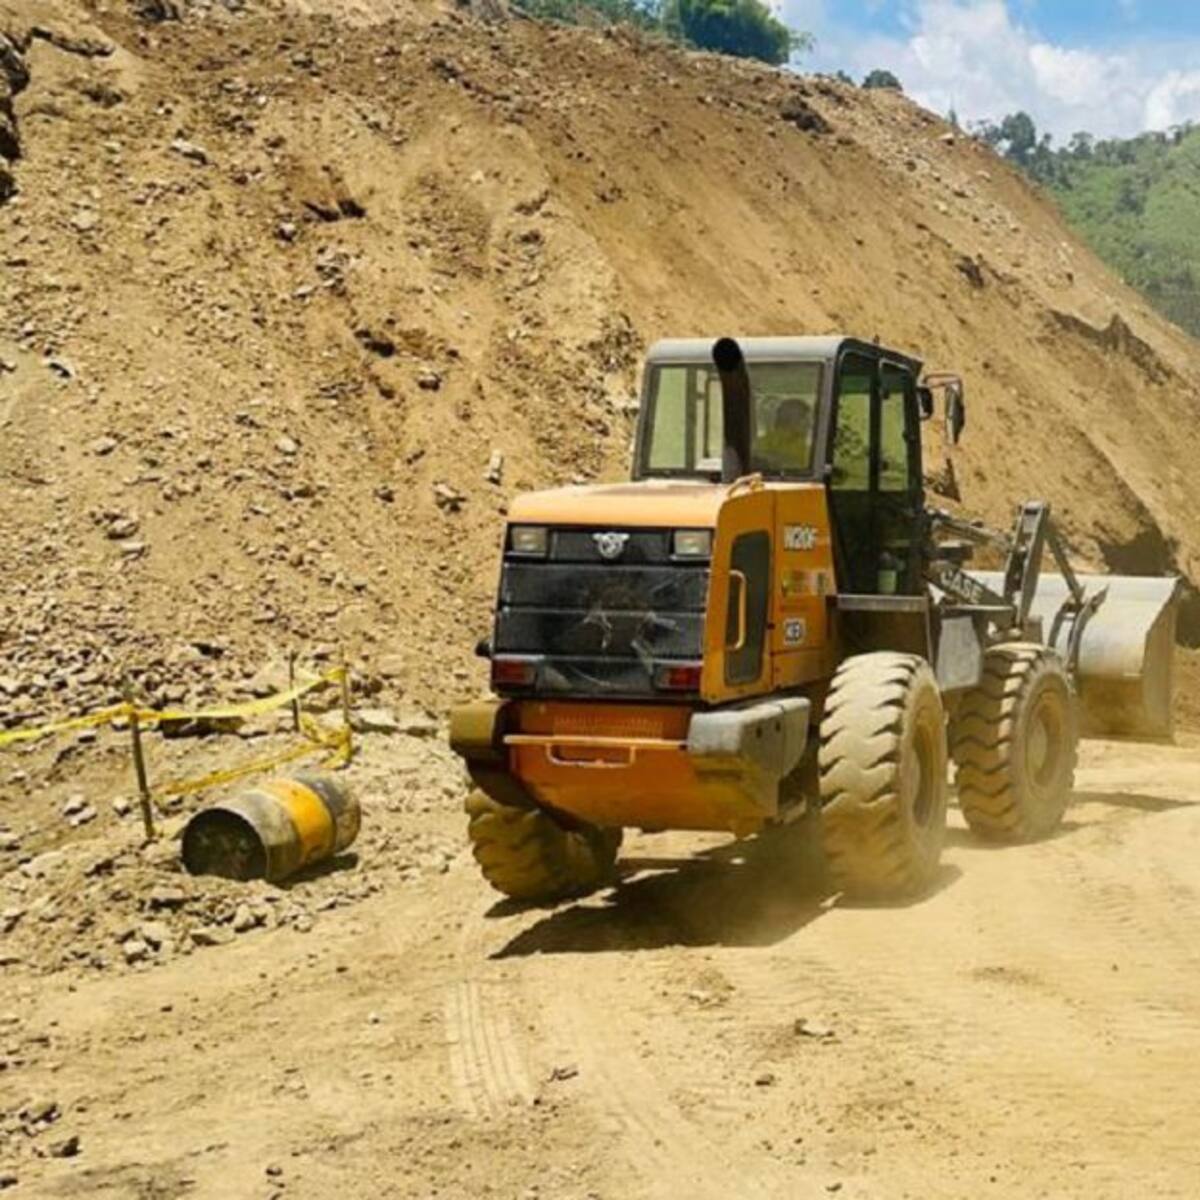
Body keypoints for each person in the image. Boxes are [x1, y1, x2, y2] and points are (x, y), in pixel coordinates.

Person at [754, 397, 813, 471]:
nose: (809, 424)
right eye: (805, 419)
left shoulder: (807, 448)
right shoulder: (763, 443)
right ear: (790, 418)